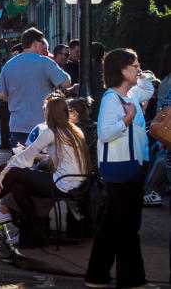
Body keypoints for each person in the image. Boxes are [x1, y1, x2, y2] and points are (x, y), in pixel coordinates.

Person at [0, 95, 92, 248]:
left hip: (63, 183)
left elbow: (28, 155)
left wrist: (5, 171)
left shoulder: (51, 132)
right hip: (74, 181)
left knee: (15, 174)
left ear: (50, 114)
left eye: (46, 111)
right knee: (17, 187)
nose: (44, 113)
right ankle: (37, 227)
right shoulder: (75, 130)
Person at [85, 48, 157, 288]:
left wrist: (142, 74)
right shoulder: (112, 99)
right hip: (123, 168)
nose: (138, 69)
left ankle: (97, 275)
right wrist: (128, 119)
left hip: (130, 166)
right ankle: (132, 280)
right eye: (134, 66)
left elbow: (148, 89)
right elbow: (105, 133)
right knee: (128, 226)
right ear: (120, 71)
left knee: (112, 223)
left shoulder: (130, 94)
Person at [0, 28, 71, 146]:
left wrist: (17, 99)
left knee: (22, 161)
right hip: (42, 125)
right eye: (42, 43)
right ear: (35, 44)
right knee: (43, 162)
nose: (43, 46)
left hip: (18, 125)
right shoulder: (45, 62)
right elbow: (66, 83)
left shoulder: (8, 65)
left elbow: (1, 94)